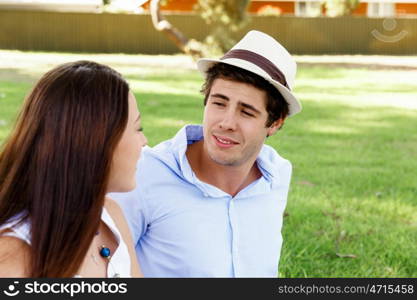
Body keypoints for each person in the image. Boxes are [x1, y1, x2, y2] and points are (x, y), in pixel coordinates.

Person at [112, 30, 302, 277]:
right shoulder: (145, 173)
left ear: (275, 123)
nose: (226, 122)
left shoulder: (277, 175)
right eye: (219, 103)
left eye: (246, 112)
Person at [0, 61, 147, 277]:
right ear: (95, 144)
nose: (144, 141)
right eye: (137, 128)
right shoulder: (12, 258)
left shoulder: (110, 216)